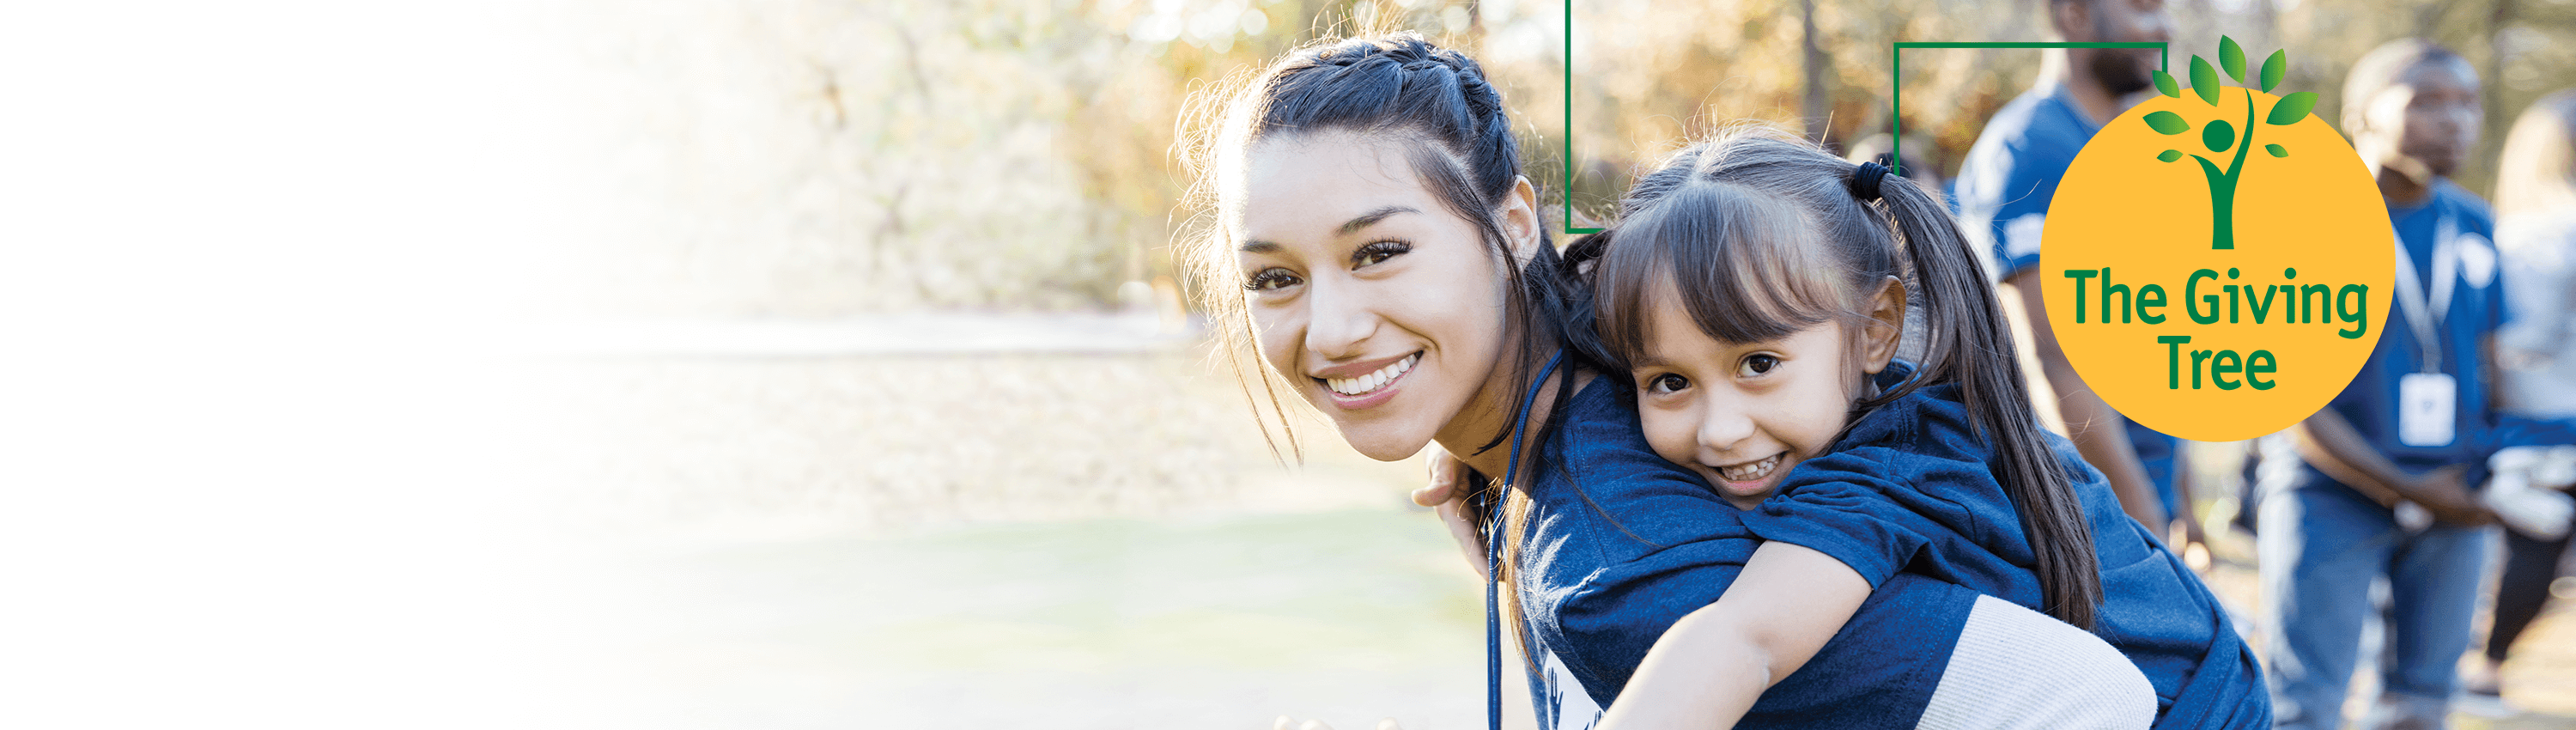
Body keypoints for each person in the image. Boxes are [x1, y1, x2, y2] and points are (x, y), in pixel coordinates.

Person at [1184, 32, 2156, 730]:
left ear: (1516, 222)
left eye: (1382, 249)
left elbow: (2084, 696)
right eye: (1275, 277)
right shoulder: (1597, 405)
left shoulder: (1623, 560)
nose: (1333, 327)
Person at [1558, 128, 2263, 730]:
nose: (1720, 428)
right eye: (1669, 382)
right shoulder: (1896, 417)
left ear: (1875, 330)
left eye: (1758, 363)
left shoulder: (1902, 464)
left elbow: (1746, 638)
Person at [2259, 39, 2507, 730]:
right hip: (2330, 489)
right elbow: (2287, 401)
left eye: (2467, 102)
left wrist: (2496, 472)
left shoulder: (2474, 221)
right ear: (2358, 114)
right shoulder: (2304, 218)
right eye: (2426, 101)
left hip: (2455, 494)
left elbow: (2492, 368)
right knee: (2306, 702)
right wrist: (2405, 486)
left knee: (2424, 700)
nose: (2454, 120)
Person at [1953, 0, 2206, 557]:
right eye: (2144, 8)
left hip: (2144, 488)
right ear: (2074, 15)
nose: (2166, 27)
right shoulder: (2036, 147)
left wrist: (2180, 501)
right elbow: (2054, 360)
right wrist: (2142, 533)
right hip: (2087, 516)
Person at [2460, 88, 2576, 713]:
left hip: (2545, 426)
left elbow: (2516, 339)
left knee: (2534, 553)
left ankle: (2487, 668)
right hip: (2554, 424)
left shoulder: (2538, 233)